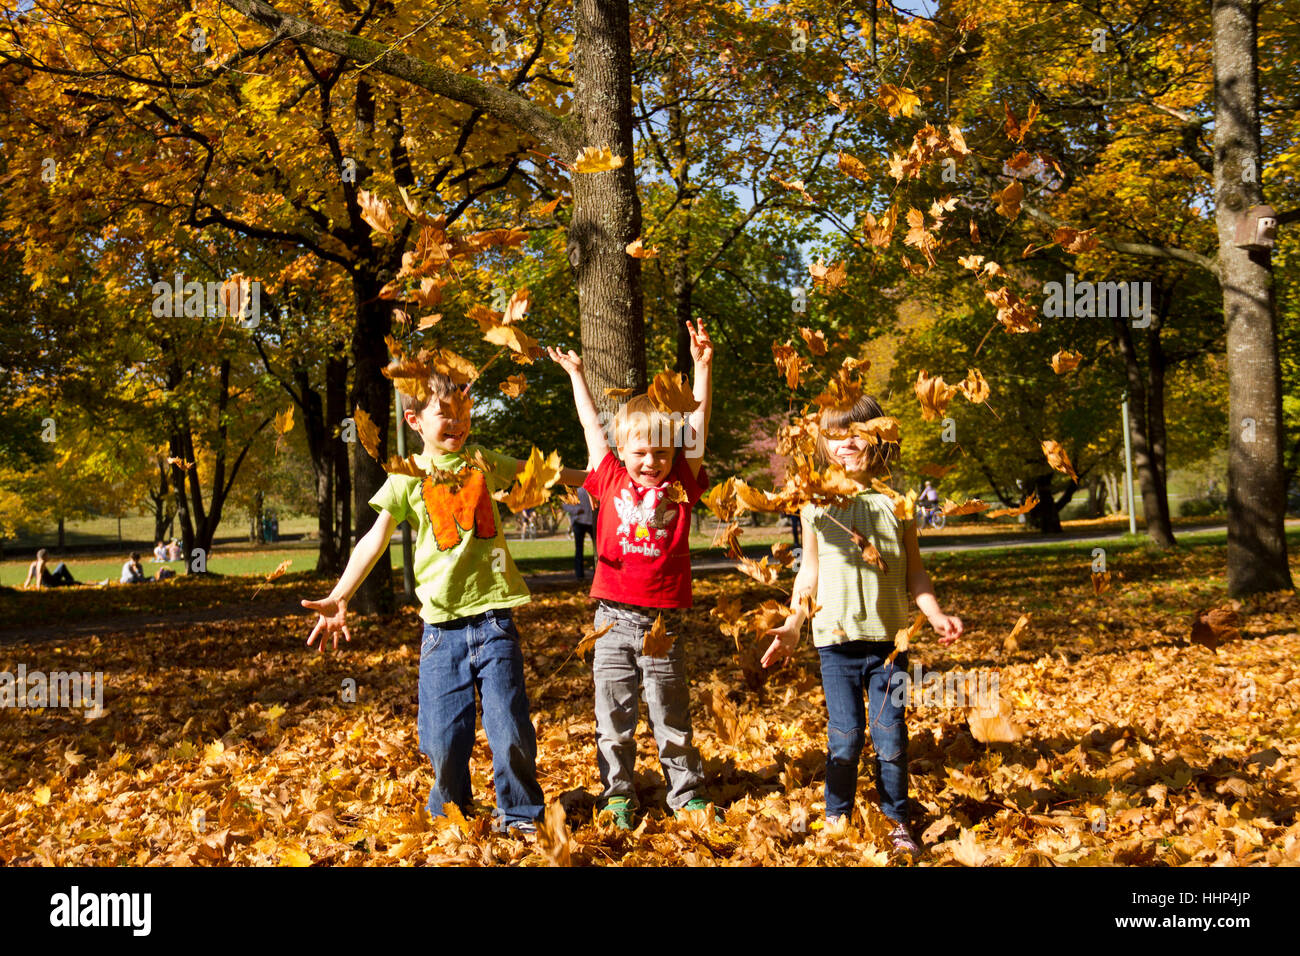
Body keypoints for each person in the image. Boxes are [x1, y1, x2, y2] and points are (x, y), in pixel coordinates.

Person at [301, 365, 586, 836]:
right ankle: (452, 814)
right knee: (442, 739)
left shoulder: (481, 460)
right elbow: (374, 540)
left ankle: (518, 815)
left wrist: (603, 476)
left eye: (462, 410)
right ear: (414, 420)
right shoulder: (405, 477)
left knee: (510, 729)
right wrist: (340, 593)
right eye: (443, 412)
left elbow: (542, 473)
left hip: (494, 622)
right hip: (441, 633)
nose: (456, 420)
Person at [762, 393, 963, 861]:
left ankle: (896, 820)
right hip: (834, 641)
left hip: (891, 645)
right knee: (846, 736)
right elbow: (808, 571)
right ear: (820, 443)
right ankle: (838, 816)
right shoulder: (813, 503)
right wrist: (793, 625)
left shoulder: (898, 501)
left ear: (881, 436)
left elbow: (915, 570)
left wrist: (934, 614)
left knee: (891, 734)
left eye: (856, 432)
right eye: (833, 435)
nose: (845, 442)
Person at [547, 319, 715, 830]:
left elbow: (698, 424)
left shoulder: (683, 481)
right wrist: (576, 374)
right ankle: (616, 792)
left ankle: (685, 793)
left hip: (663, 623)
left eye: (660, 451)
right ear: (623, 451)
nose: (651, 460)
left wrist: (702, 367)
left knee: (671, 715)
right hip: (612, 620)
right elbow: (590, 428)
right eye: (640, 451)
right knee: (613, 715)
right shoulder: (610, 475)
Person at [560, 487, 595, 579]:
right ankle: (579, 574)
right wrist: (576, 510)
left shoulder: (593, 491)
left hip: (592, 522)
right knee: (579, 549)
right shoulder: (577, 492)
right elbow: (565, 505)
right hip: (579, 522)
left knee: (597, 549)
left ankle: (598, 573)